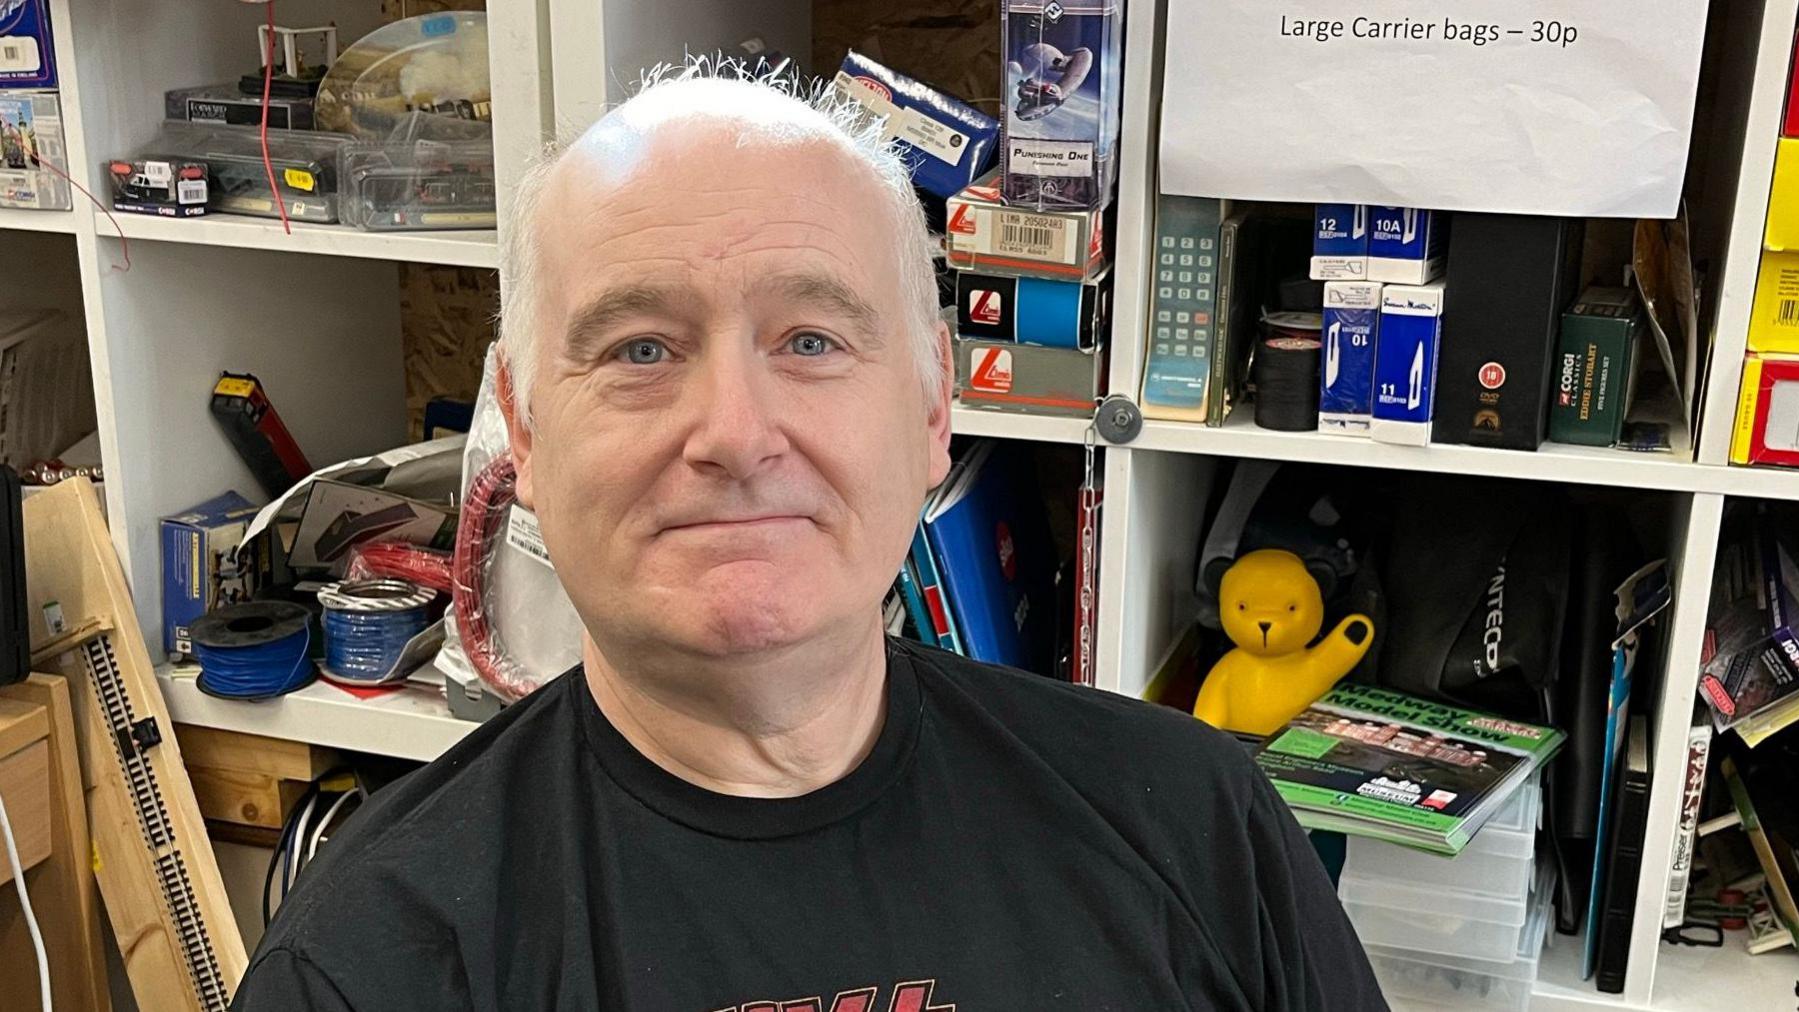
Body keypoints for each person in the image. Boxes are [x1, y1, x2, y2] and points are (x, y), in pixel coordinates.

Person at [232, 66, 1386, 1011]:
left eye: (812, 341)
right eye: (640, 349)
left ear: (934, 405)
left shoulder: (1196, 824)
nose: (735, 434)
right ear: (523, 432)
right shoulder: (367, 963)